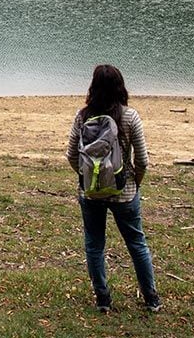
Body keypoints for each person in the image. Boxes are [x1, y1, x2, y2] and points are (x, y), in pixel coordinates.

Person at [66, 64, 161, 313]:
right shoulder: (130, 117)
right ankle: (151, 299)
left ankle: (103, 299)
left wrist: (86, 177)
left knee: (94, 245)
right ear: (120, 87)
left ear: (93, 87)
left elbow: (71, 155)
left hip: (90, 193)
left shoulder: (82, 116)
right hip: (125, 192)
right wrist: (135, 181)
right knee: (137, 243)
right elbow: (142, 160)